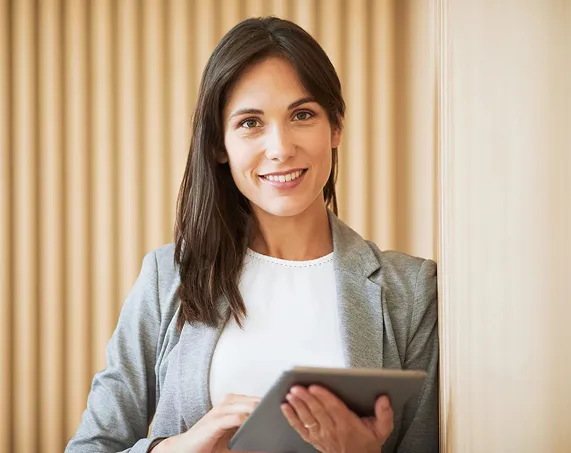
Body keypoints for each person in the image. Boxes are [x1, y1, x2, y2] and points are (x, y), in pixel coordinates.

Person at [65, 16, 438, 453]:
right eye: (250, 123)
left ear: (335, 126)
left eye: (302, 114)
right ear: (220, 145)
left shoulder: (411, 292)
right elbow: (90, 447)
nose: (280, 148)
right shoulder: (168, 277)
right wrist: (175, 448)